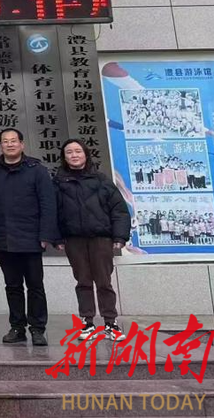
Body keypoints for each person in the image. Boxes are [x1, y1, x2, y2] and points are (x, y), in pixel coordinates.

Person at [0, 128, 59, 346]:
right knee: (12, 286)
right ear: (1, 146)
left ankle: (38, 328)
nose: (10, 144)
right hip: (4, 238)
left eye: (14, 141)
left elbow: (48, 204)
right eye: (5, 141)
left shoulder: (37, 170)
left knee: (35, 286)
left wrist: (45, 234)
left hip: (32, 238)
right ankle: (17, 327)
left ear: (22, 144)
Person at [53, 138, 131, 342]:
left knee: (104, 281)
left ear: (86, 154)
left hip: (100, 239)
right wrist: (56, 237)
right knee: (83, 282)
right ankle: (87, 322)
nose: (74, 155)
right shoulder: (58, 182)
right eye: (69, 152)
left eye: (78, 151)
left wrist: (120, 236)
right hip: (74, 240)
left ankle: (110, 323)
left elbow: (119, 210)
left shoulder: (101, 180)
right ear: (64, 157)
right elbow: (53, 212)